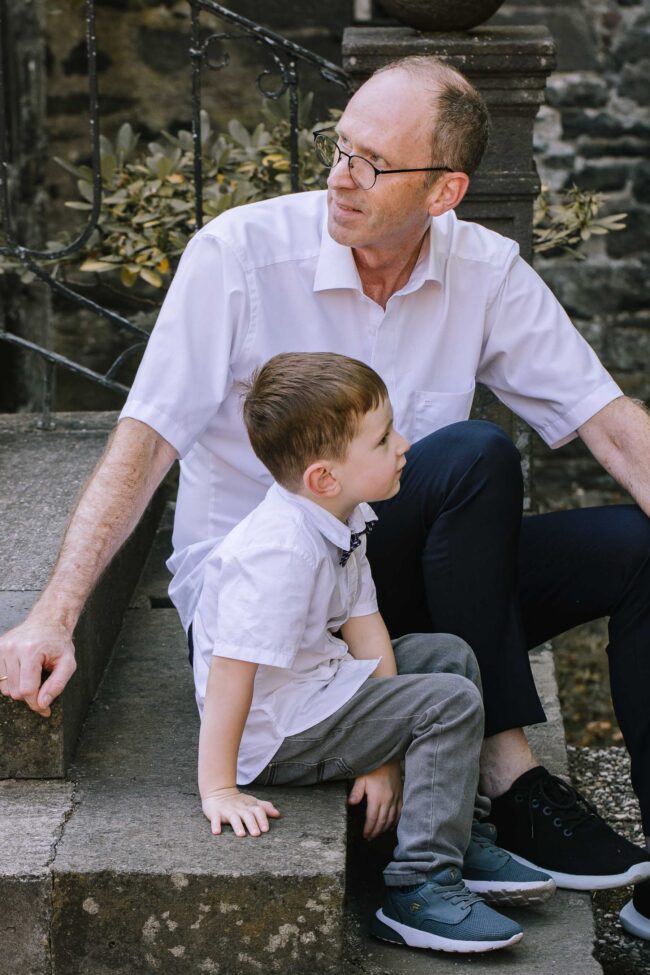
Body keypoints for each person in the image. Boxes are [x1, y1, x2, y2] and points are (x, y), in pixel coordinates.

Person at [1, 53, 650, 935]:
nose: (342, 176)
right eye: (340, 147)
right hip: (270, 609)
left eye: (374, 162)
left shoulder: (483, 269)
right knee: (472, 455)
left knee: (637, 549)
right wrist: (54, 612)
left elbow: (608, 421)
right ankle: (509, 779)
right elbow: (147, 437)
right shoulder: (239, 254)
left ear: (445, 191)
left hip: (382, 588)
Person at [196, 350, 554, 953]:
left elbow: (366, 627)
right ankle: (420, 888)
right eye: (384, 439)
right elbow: (231, 675)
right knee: (448, 702)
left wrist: (383, 751)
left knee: (448, 655)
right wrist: (220, 789)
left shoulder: (346, 515)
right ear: (324, 478)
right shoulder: (278, 554)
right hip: (279, 732)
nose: (405, 445)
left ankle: (456, 836)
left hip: (321, 688)